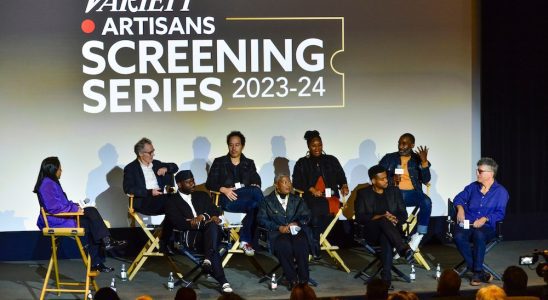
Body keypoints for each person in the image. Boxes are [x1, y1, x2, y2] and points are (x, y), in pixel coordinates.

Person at [34, 157, 126, 273]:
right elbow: (54, 208)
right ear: (53, 169)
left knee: (92, 217)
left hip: (61, 217)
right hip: (56, 220)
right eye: (60, 169)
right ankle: (104, 245)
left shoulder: (51, 182)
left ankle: (103, 247)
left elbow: (61, 204)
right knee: (93, 222)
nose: (61, 171)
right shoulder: (47, 184)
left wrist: (75, 206)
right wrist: (75, 209)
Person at [165, 170, 233, 293]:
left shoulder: (202, 196)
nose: (193, 184)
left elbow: (215, 212)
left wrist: (202, 217)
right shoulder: (172, 201)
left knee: (212, 227)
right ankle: (219, 274)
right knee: (213, 242)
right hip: (191, 237)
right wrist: (205, 220)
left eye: (193, 180)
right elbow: (178, 222)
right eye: (188, 182)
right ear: (179, 185)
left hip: (210, 234)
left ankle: (211, 264)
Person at [292, 130, 349, 259]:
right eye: (313, 145)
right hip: (310, 197)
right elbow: (296, 182)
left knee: (320, 209)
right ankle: (315, 244)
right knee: (313, 207)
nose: (317, 148)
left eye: (319, 145)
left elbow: (341, 176)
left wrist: (344, 185)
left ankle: (313, 243)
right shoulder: (302, 163)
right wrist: (311, 189)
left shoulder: (331, 160)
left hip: (330, 197)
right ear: (308, 146)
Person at [354, 165, 415, 287]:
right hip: (372, 232)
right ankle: (403, 248)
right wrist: (381, 216)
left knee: (386, 237)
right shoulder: (363, 194)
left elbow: (403, 214)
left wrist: (394, 219)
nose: (386, 180)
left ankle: (386, 279)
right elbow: (360, 217)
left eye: (386, 178)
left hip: (392, 231)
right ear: (373, 181)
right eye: (382, 179)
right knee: (383, 220)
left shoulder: (394, 191)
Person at [206, 131, 264, 256]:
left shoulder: (249, 163)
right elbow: (209, 183)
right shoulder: (219, 162)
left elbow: (255, 178)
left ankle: (244, 240)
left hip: (244, 198)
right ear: (228, 146)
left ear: (242, 146)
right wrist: (224, 189)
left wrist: (256, 183)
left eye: (237, 145)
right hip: (227, 200)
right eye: (231, 145)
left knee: (255, 204)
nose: (234, 148)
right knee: (256, 194)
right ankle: (269, 216)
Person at [453, 157, 509, 286]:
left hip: (487, 227)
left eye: (480, 171)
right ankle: (479, 272)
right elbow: (458, 198)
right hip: (468, 223)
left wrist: (485, 218)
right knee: (458, 236)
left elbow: (500, 213)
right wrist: (460, 208)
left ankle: (477, 271)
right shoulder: (473, 187)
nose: (477, 173)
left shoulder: (501, 192)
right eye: (477, 171)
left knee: (479, 235)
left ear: (490, 174)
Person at [123, 137, 179, 254]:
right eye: (150, 152)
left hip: (162, 199)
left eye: (153, 151)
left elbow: (175, 166)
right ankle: (167, 241)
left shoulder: (156, 164)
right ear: (140, 154)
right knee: (172, 202)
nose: (153, 154)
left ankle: (167, 240)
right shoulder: (131, 168)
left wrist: (166, 168)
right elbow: (128, 188)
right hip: (145, 201)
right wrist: (149, 192)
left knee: (176, 203)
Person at [379, 133, 432, 251]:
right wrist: (390, 179)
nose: (401, 146)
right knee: (393, 210)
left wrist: (424, 163)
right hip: (393, 193)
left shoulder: (417, 159)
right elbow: (377, 177)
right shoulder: (389, 158)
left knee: (427, 201)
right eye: (399, 143)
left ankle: (419, 235)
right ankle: (397, 241)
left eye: (404, 143)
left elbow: (426, 180)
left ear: (412, 145)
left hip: (411, 194)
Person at [257, 174, 311, 289]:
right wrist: (278, 227)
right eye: (284, 182)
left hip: (295, 231)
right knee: (284, 246)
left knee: (301, 244)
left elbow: (306, 215)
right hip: (277, 233)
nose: (288, 185)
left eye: (289, 182)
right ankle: (292, 279)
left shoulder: (297, 200)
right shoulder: (267, 201)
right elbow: (261, 219)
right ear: (276, 185)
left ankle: (304, 280)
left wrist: (297, 223)